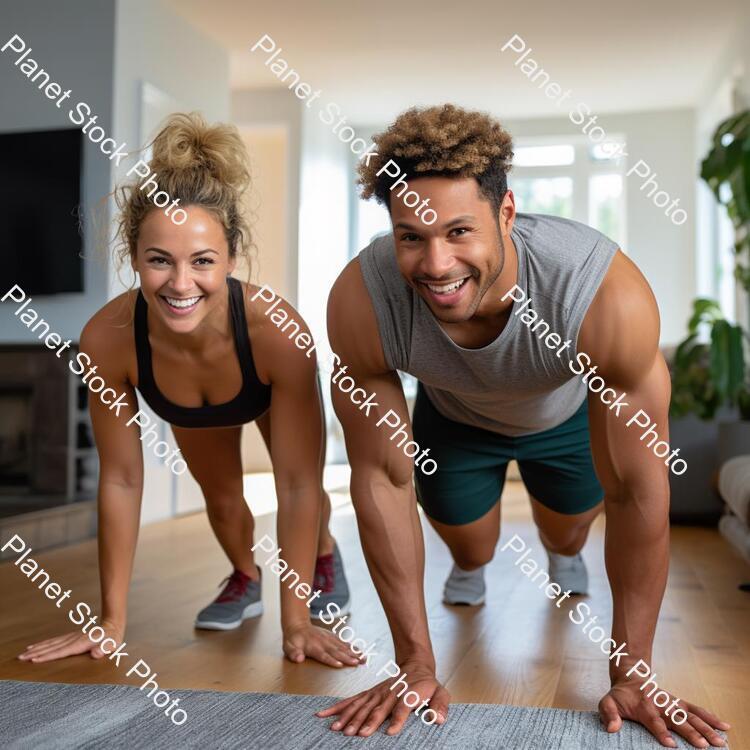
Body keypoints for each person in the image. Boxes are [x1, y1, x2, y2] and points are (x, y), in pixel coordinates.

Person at [320, 104, 729, 747]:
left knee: (567, 534)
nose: (435, 264)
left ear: (505, 212)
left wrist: (634, 674)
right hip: (453, 419)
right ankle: (472, 564)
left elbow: (637, 492)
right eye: (411, 237)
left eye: (459, 231)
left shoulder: (600, 295)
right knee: (471, 549)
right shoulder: (362, 301)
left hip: (563, 417)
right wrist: (415, 667)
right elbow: (380, 478)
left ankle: (562, 554)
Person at [19, 113, 354, 669]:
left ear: (232, 258)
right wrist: (110, 623)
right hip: (191, 400)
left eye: (202, 261)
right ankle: (245, 577)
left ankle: (323, 556)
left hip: (260, 382)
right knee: (223, 504)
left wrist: (296, 625)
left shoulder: (279, 332)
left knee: (308, 495)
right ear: (134, 258)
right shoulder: (107, 339)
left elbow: (295, 484)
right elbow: (123, 480)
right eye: (159, 261)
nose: (180, 284)